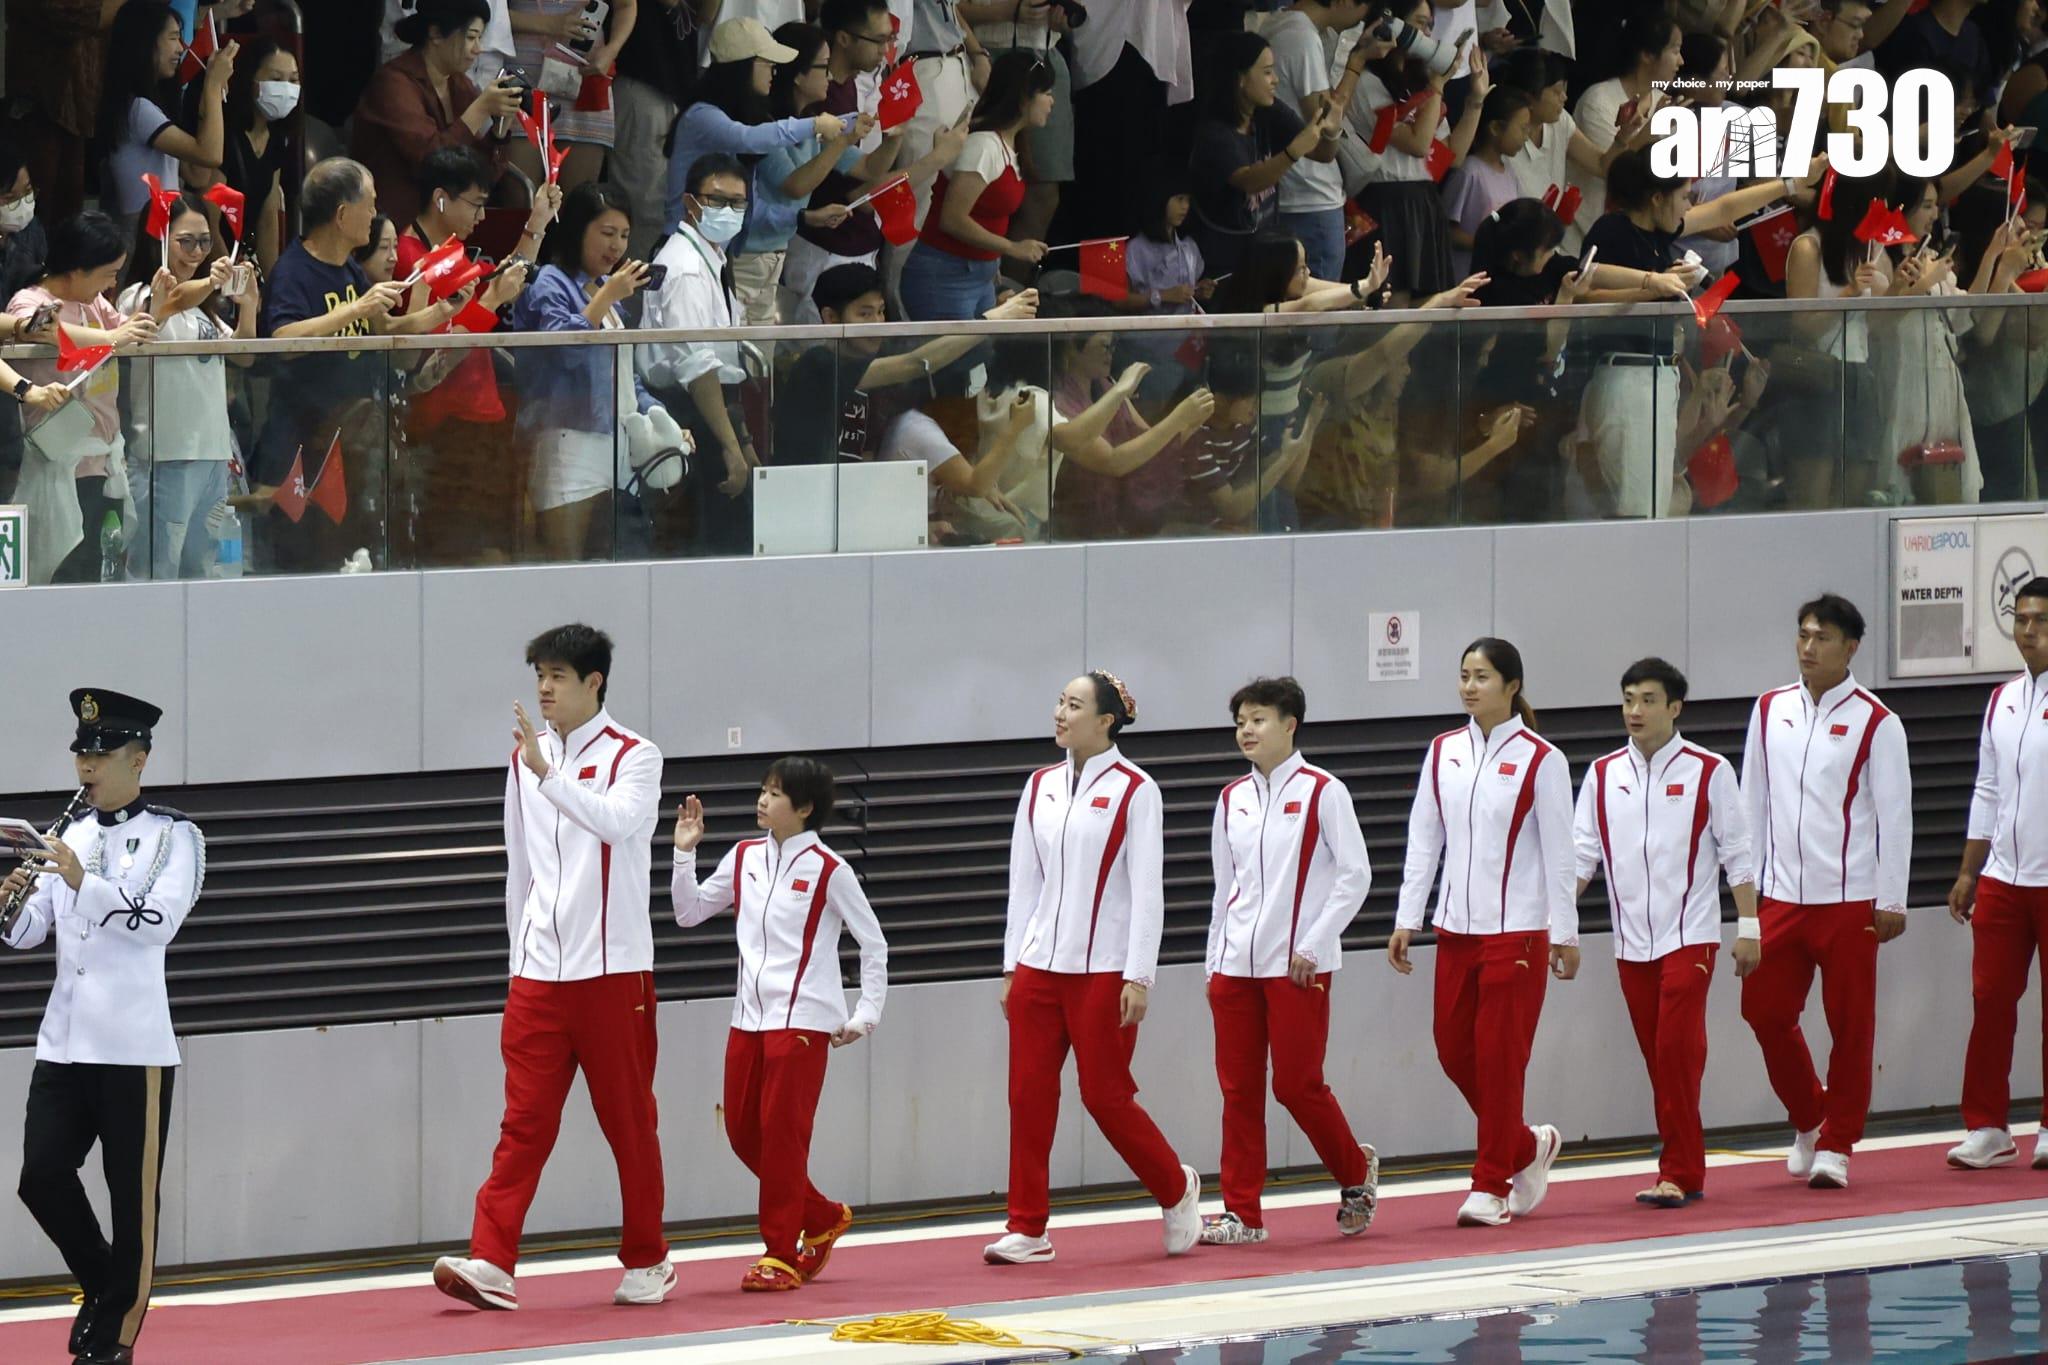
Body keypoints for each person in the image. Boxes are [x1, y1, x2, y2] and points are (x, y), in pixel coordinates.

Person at [433, 625, 673, 1312]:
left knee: (628, 1122)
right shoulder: (524, 762)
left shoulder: (637, 755)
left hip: (614, 972)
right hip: (539, 977)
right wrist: (519, 963)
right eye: (540, 672)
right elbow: (522, 867)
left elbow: (616, 823)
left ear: (595, 681)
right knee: (523, 1122)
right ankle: (492, 1259)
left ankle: (649, 1260)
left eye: (559, 674)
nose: (544, 686)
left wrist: (547, 771)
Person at [2, 688, 202, 1365]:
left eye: (102, 751)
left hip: (133, 1046)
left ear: (138, 757)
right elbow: (32, 933)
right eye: (82, 752)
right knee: (41, 1174)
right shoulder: (71, 838)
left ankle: (114, 1340)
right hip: (65, 1041)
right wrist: (10, 901)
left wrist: (82, 880)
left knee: (131, 1202)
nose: (87, 763)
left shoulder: (177, 836)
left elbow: (157, 922)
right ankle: (102, 1283)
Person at [985, 672, 1202, 1265]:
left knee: (1106, 1096)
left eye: (1074, 705)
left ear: (1106, 720)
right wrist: (1012, 966)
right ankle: (1028, 1227)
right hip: (1038, 968)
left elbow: (1148, 889)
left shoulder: (1137, 789)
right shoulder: (1039, 786)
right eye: (1059, 701)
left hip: (1105, 970)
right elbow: (1023, 881)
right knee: (1027, 1096)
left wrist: (1140, 975)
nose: (1059, 712)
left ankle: (1176, 1188)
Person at [669, 757, 888, 1291]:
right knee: (745, 1133)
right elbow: (689, 912)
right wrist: (683, 853)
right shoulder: (744, 856)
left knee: (784, 1139)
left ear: (805, 808)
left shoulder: (830, 870)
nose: (763, 800)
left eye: (775, 793)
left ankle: (778, 1253)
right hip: (748, 1018)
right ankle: (822, 1214)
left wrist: (865, 1014)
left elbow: (874, 942)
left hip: (805, 1020)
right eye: (763, 790)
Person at [1389, 637, 1578, 1228]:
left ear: (1512, 686)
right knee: (1453, 1049)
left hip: (1518, 932)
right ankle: (1526, 1146)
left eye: (1483, 676)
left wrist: (1565, 933)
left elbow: (1561, 854)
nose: (1470, 686)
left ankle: (1491, 1182)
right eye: (1464, 675)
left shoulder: (1542, 758)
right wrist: (1406, 916)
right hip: (1456, 929)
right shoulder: (1443, 750)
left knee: (1500, 1061)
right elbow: (1425, 839)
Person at [1739, 593, 1912, 1192]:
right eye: (1803, 635)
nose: (1808, 648)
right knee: (1762, 1011)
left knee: (1850, 1024)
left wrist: (1891, 898)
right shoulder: (1769, 710)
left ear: (1851, 648)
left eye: (1823, 638)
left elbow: (1895, 813)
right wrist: (1747, 908)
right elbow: (1750, 807)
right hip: (1781, 897)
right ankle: (1811, 1116)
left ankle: (1838, 1142)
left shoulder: (1876, 720)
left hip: (1849, 899)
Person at [1200, 676, 1379, 1247]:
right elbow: (1223, 889)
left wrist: (1314, 942)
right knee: (1239, 1089)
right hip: (1235, 969)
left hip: (1300, 966)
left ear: (1289, 724)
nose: (1245, 731)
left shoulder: (1325, 791)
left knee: (1297, 1086)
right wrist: (1213, 966)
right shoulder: (1231, 799)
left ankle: (1355, 1173)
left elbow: (1356, 875)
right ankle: (1242, 1214)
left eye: (1257, 719)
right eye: (1240, 722)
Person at [1574, 657, 1759, 1209]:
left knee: (1676, 1051)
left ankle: (1677, 1169)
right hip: (1631, 942)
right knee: (1662, 1057)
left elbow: (1738, 856)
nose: (1635, 710)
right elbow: (1581, 858)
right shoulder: (1604, 774)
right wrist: (1555, 924)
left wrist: (1748, 926)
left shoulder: (1709, 770)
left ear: (1674, 708)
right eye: (1628, 698)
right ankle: (1689, 1166)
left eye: (1648, 699)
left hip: (1690, 936)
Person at [255, 158, 463, 572]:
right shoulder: (293, 271)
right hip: (301, 453)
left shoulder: (350, 270)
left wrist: (444, 310)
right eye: (369, 204)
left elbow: (384, 327)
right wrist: (354, 310)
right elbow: (281, 341)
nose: (374, 214)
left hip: (351, 450)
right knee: (303, 569)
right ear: (341, 214)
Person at [393, 147, 552, 567]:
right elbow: (429, 362)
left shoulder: (452, 252)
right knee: (470, 554)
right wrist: (491, 304)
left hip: (482, 418)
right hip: (445, 428)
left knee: (495, 547)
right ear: (441, 198)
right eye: (476, 205)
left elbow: (501, 286)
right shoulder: (409, 261)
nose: (481, 218)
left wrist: (536, 223)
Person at [1946, 576, 2048, 1171]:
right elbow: (1987, 789)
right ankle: (1987, 1126)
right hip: (2004, 881)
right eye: (2021, 620)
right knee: (1990, 1002)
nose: (2028, 631)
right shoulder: (2002, 700)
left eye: (2040, 622)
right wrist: (1968, 872)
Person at [508, 181, 660, 563]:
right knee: (567, 567)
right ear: (578, 230)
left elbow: (625, 372)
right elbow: (562, 350)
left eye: (624, 236)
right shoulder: (550, 282)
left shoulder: (608, 286)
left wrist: (655, 413)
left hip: (616, 443)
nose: (617, 247)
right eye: (607, 233)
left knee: (617, 564)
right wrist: (605, 298)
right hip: (566, 441)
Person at [7, 212, 158, 585]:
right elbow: (45, 331)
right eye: (108, 274)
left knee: (98, 570)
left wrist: (154, 311)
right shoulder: (30, 300)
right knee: (59, 572)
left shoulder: (95, 304)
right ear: (76, 269)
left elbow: (123, 331)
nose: (112, 284)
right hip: (59, 464)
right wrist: (111, 338)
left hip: (104, 464)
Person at [115, 190, 256, 580]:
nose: (197, 251)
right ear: (159, 240)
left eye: (205, 241)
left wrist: (248, 305)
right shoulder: (139, 299)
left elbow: (244, 355)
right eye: (186, 241)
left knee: (201, 571)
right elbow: (171, 300)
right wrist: (213, 281)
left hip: (212, 454)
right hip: (165, 456)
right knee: (156, 573)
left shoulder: (204, 309)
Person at [642, 153, 757, 556]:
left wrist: (739, 436)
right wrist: (728, 445)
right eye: (717, 200)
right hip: (690, 414)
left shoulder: (712, 259)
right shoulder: (686, 267)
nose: (728, 211)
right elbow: (698, 369)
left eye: (738, 203)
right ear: (691, 203)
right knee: (711, 547)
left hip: (717, 410)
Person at [898, 51, 1053, 321]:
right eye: (1046, 92)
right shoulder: (983, 145)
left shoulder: (1010, 145)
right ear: (1024, 96)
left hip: (979, 275)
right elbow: (952, 219)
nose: (1052, 101)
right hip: (945, 275)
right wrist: (1011, 248)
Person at [664, 20, 849, 241]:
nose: (774, 72)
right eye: (768, 63)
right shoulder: (702, 116)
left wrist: (805, 218)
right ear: (745, 66)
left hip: (716, 253)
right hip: (683, 247)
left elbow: (751, 211)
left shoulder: (734, 117)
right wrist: (814, 125)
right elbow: (747, 138)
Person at [736, 22, 870, 326]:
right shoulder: (765, 125)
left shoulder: (811, 122)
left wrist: (895, 133)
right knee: (739, 355)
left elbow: (867, 167)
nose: (831, 76)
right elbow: (794, 185)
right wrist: (842, 142)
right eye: (823, 67)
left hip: (775, 254)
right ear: (797, 75)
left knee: (762, 360)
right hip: (745, 257)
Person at [351, 0, 520, 230]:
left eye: (480, 38)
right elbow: (432, 162)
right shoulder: (392, 83)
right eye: (471, 37)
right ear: (436, 34)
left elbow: (481, 176)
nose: (478, 49)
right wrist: (480, 109)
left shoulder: (459, 84)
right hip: (391, 229)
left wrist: (500, 131)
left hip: (441, 230)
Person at [1189, 30, 1337, 280]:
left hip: (1264, 254)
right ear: (1240, 79)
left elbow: (1323, 153)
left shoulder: (1268, 111)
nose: (1275, 80)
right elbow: (1249, 181)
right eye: (1267, 72)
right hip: (1222, 265)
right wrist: (1293, 151)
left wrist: (1332, 129)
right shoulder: (1214, 132)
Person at [1049, 333, 1216, 541]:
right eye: (1103, 347)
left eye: (1113, 346)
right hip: (1074, 524)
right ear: (1072, 346)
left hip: (1119, 520)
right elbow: (1113, 462)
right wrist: (1177, 419)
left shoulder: (1106, 385)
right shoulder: (1058, 399)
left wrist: (1189, 423)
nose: (1110, 354)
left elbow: (1149, 447)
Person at [97, 0, 236, 243]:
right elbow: (210, 154)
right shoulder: (138, 109)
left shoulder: (149, 106)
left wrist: (207, 96)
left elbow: (197, 175)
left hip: (162, 223)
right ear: (146, 43)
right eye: (173, 38)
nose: (181, 48)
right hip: (143, 229)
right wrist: (213, 86)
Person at [1263, 0, 1374, 281]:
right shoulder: (1303, 37)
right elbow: (1325, 122)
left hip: (1283, 192)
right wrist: (1357, 62)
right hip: (1312, 197)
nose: (1364, 18)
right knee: (1317, 313)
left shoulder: (1275, 23)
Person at [507, 0, 637, 191]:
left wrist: (611, 51)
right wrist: (550, 24)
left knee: (578, 205)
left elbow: (626, 6)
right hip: (522, 84)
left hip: (585, 84)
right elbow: (490, 11)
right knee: (521, 201)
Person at [216, 36, 303, 274]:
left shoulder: (277, 139)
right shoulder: (224, 134)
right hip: (212, 263)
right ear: (249, 79)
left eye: (293, 80)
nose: (286, 88)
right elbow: (210, 223)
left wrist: (272, 283)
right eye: (276, 79)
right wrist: (228, 279)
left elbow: (267, 218)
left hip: (241, 262)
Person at [1443, 87, 1533, 278]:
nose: (1525, 137)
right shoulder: (1469, 171)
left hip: (1495, 277)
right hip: (1465, 276)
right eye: (1522, 129)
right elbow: (1446, 231)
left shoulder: (1510, 174)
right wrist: (1490, 243)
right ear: (1495, 128)